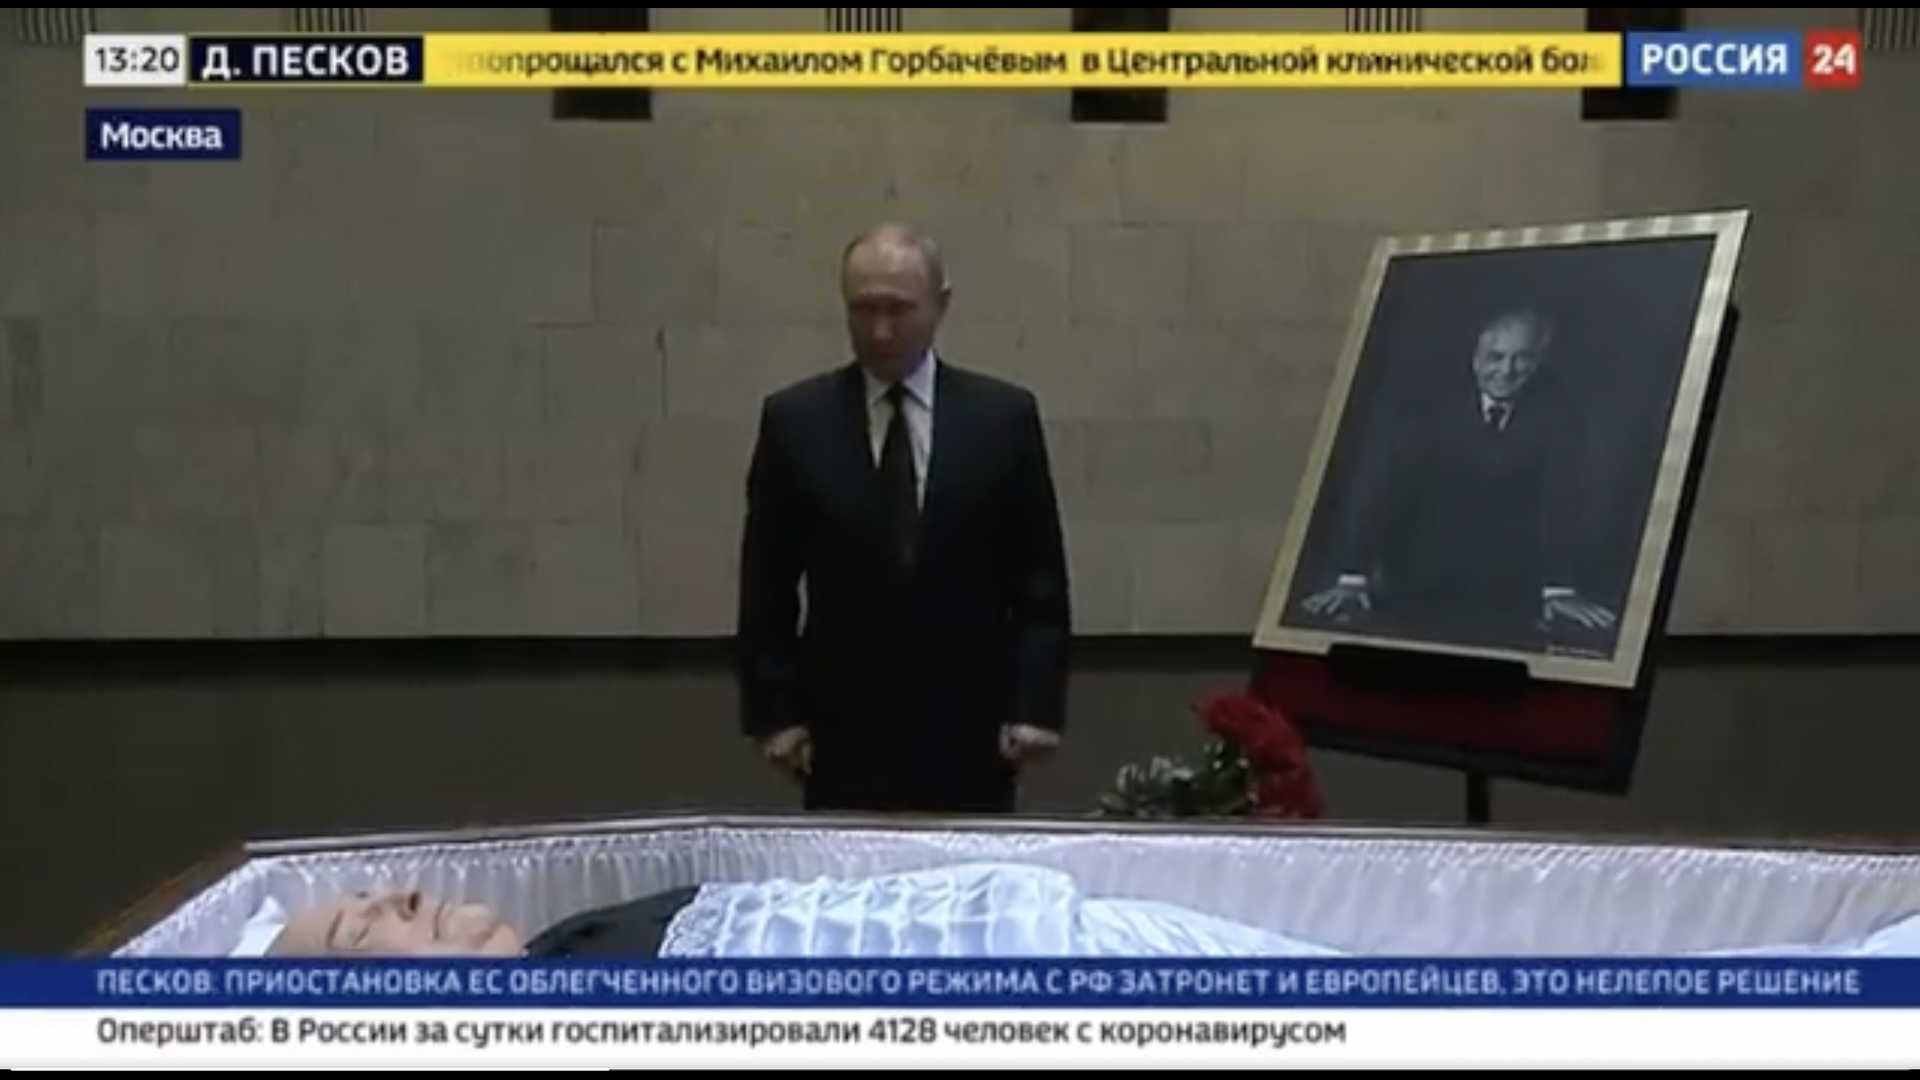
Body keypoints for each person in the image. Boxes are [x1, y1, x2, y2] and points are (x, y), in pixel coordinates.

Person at [733, 223, 1072, 814]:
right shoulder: (796, 422)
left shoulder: (1003, 420)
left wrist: (1035, 706)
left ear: (941, 303)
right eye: (863, 310)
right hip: (841, 730)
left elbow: (1039, 579)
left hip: (972, 727)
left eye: (899, 309)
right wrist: (775, 714)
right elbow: (767, 582)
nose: (881, 330)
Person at [1296, 308, 1619, 655]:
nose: (1507, 371)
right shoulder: (1425, 410)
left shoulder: (1562, 414)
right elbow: (1379, 491)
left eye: (1522, 359)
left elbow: (1562, 502)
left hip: (1510, 589)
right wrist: (1353, 577)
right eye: (1495, 357)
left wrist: (1559, 589)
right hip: (1416, 579)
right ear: (1476, 359)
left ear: (1538, 361)